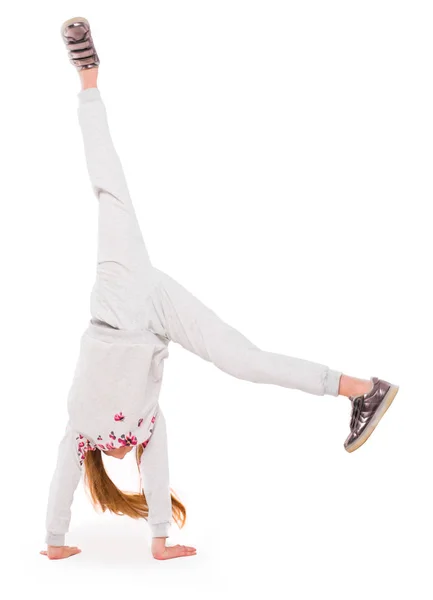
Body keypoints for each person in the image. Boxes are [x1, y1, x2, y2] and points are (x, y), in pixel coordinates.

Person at [41, 16, 399, 562]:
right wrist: (159, 539)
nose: (120, 446)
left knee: (110, 187)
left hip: (116, 300)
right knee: (244, 360)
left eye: (110, 452)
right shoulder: (146, 427)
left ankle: (88, 77)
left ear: (94, 455)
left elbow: (60, 483)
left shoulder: (80, 431)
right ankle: (361, 389)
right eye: (123, 452)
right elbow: (157, 471)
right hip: (157, 312)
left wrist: (54, 540)